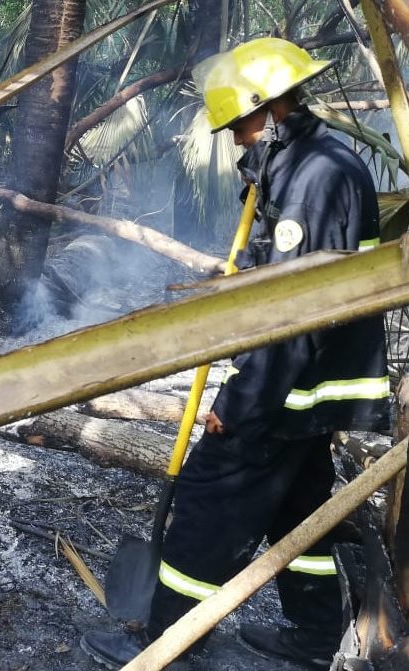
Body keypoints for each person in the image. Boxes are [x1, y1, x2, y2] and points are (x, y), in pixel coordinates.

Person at [80, 37, 390, 670]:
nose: (236, 141)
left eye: (240, 127)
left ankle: (167, 641)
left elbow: (296, 316)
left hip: (286, 391)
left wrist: (239, 399)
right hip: (305, 393)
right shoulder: (310, 167)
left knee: (205, 505)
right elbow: (281, 277)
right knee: (296, 514)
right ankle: (310, 638)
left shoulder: (313, 181)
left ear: (269, 108)